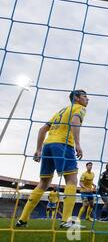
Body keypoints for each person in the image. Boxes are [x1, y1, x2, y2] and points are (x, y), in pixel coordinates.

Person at [16, 90, 88, 228]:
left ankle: (22, 219)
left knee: (43, 183)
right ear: (76, 98)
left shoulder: (61, 111)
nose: (87, 100)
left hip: (48, 145)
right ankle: (67, 220)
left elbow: (43, 129)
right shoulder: (79, 108)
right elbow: (74, 121)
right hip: (63, 144)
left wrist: (38, 149)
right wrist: (77, 144)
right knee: (71, 180)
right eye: (85, 97)